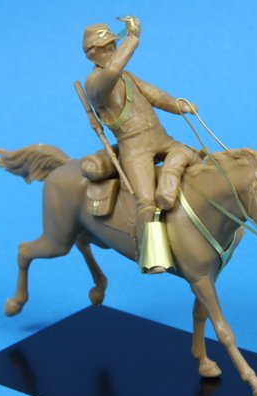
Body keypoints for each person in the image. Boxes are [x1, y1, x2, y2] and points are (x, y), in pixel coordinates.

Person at [83, 17, 200, 272]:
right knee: (146, 201)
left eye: (113, 45)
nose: (113, 50)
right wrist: (133, 39)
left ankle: (170, 186)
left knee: (192, 156)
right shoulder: (95, 83)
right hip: (135, 149)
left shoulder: (127, 76)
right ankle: (151, 255)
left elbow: (154, 94)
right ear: (93, 54)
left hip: (161, 138)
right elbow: (113, 70)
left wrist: (177, 105)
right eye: (107, 47)